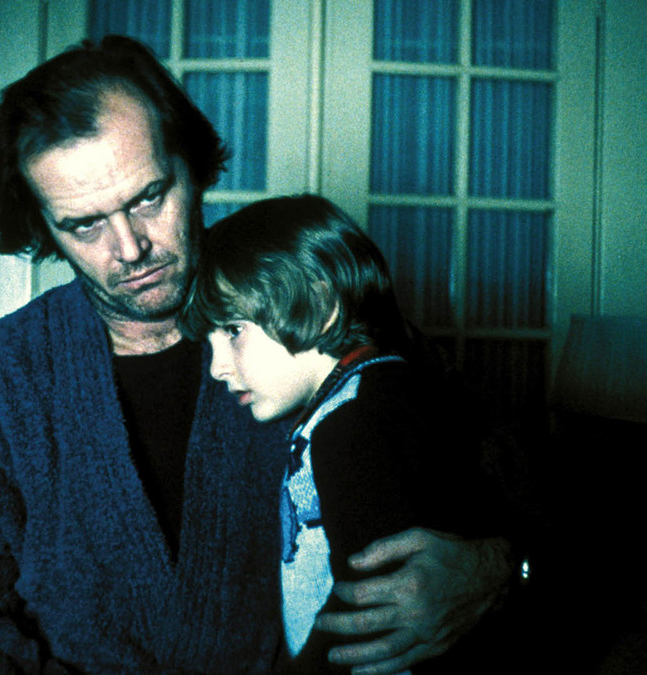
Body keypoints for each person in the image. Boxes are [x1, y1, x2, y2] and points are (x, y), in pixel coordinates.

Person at [0, 35, 522, 674]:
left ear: (194, 167)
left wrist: (499, 570)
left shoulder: (325, 325)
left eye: (149, 197)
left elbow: (529, 502)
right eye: (85, 224)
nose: (130, 248)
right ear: (44, 228)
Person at [179, 195, 514, 673]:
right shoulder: (382, 391)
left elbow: (368, 605)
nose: (217, 368)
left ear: (320, 305)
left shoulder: (351, 426)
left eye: (233, 331)